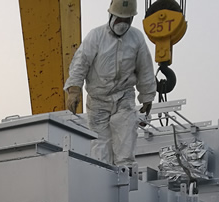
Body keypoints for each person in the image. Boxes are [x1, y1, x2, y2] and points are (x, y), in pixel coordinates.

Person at [64, 0, 157, 170]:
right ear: (111, 16)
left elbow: (145, 68)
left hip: (124, 97)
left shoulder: (136, 38)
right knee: (100, 147)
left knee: (126, 143)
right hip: (98, 100)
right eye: (119, 19)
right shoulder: (96, 36)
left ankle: (126, 176)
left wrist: (147, 97)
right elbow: (81, 62)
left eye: (126, 19)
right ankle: (102, 176)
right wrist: (74, 89)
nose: (122, 23)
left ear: (132, 19)